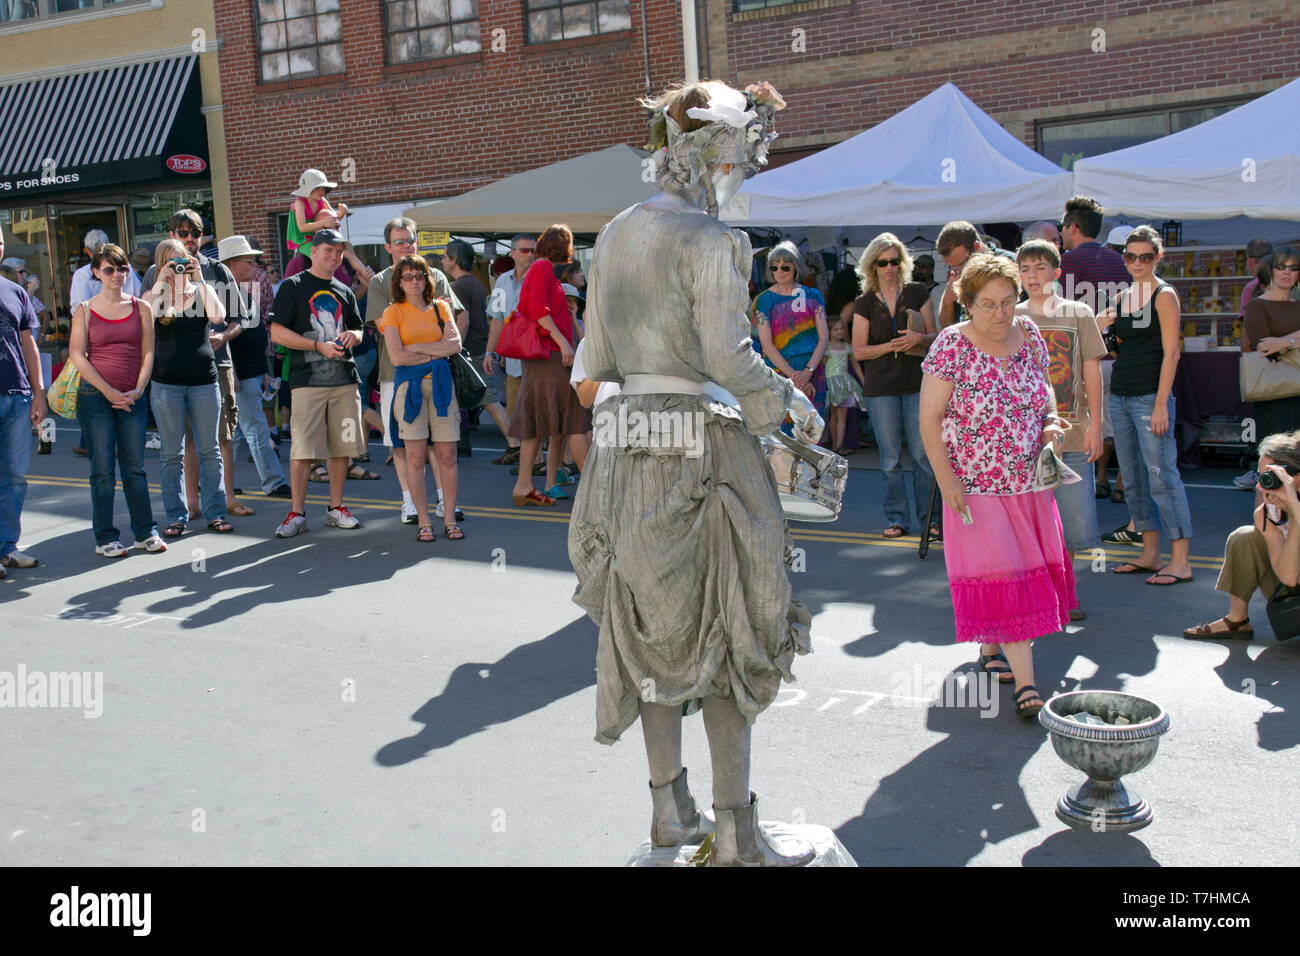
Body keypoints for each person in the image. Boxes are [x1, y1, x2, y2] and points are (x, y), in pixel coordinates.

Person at [570, 79, 824, 865]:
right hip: (703, 454)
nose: (740, 176)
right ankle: (737, 833)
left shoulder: (613, 234)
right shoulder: (713, 241)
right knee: (728, 636)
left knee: (653, 641)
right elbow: (725, 354)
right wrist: (789, 402)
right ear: (708, 154)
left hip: (626, 452)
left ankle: (668, 815)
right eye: (740, 160)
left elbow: (595, 363)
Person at [919, 253, 1074, 719]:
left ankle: (992, 647)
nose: (1000, 314)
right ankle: (1027, 685)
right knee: (1009, 572)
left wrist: (1050, 424)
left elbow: (1044, 393)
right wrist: (946, 482)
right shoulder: (951, 345)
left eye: (1008, 302)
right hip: (975, 487)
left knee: (1006, 570)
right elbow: (928, 417)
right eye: (987, 304)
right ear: (968, 303)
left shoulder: (1028, 336)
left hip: (1027, 483)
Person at [1098, 225, 1194, 586]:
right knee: (1135, 479)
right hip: (1121, 394)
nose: (1137, 263)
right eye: (1130, 256)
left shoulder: (1164, 295)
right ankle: (1151, 554)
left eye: (1145, 257)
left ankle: (1180, 560)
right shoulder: (1123, 297)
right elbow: (1118, 347)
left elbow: (1172, 352)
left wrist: (1159, 405)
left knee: (1162, 477)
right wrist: (1101, 324)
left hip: (1148, 396)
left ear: (1158, 258)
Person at [1015, 239, 1105, 620]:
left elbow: (1091, 370)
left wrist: (1097, 425)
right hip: (1022, 437)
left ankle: (1064, 595)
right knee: (1028, 524)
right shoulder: (1011, 316)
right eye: (1025, 269)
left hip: (1070, 432)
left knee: (1071, 523)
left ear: (1056, 273)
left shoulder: (1078, 313)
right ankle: (1036, 595)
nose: (1032, 276)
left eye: (1039, 268)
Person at [139, 209, 249, 520]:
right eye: (182, 234)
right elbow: (143, 317)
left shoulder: (215, 270)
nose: (190, 240)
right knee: (180, 444)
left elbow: (235, 318)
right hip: (169, 375)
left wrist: (223, 337)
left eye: (195, 234)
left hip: (215, 366)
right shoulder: (154, 273)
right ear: (172, 236)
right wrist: (164, 276)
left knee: (220, 438)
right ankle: (190, 504)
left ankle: (226, 500)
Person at [68, 243, 165, 557]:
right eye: (109, 269)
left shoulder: (142, 308)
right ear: (96, 272)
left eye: (121, 268)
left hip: (132, 396)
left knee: (135, 468)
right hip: (95, 397)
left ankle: (145, 532)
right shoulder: (84, 309)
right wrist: (109, 391)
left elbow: (148, 352)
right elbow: (76, 356)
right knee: (103, 470)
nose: (116, 275)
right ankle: (105, 537)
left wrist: (137, 390)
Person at [269, 229, 368, 536]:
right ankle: (296, 514)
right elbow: (277, 333)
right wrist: (317, 346)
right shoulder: (292, 286)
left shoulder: (344, 289)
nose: (334, 257)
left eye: (339, 252)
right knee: (302, 450)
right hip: (306, 381)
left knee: (341, 448)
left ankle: (336, 508)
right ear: (312, 251)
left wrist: (354, 335)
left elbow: (360, 329)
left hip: (344, 380)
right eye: (328, 250)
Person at [366, 218, 464, 522]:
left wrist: (422, 348)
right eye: (400, 241)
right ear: (388, 247)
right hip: (395, 375)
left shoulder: (435, 275)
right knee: (403, 443)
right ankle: (408, 501)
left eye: (411, 240)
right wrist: (435, 347)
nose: (407, 245)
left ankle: (442, 500)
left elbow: (455, 324)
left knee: (440, 444)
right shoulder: (381, 282)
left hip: (439, 375)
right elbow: (387, 329)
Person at [851, 232, 937, 538]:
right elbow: (858, 351)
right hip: (881, 387)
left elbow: (935, 336)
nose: (889, 267)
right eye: (883, 262)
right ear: (872, 265)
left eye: (895, 261)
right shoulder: (864, 302)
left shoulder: (917, 292)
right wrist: (892, 346)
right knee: (889, 459)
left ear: (902, 262)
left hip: (916, 383)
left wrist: (918, 339)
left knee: (923, 455)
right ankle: (898, 519)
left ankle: (932, 520)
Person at [498, 223, 590, 505]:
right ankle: (595, 490)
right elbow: (539, 312)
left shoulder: (539, 269)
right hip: (550, 357)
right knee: (574, 421)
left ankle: (524, 485)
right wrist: (564, 343)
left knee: (538, 423)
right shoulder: (542, 269)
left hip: (545, 358)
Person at [143, 239, 230, 537]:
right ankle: (176, 516)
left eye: (182, 259)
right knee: (171, 453)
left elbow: (219, 317)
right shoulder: (156, 295)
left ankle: (216, 513)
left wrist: (200, 279)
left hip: (203, 380)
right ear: (161, 263)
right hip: (166, 383)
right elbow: (144, 314)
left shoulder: (200, 289)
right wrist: (162, 279)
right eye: (172, 261)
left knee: (210, 450)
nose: (179, 265)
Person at [1184, 431, 1300, 640]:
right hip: (1295, 588)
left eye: (1270, 477)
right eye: (1261, 476)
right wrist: (1294, 515)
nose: (1260, 486)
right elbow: (1288, 578)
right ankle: (1237, 620)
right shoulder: (1267, 513)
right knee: (1245, 537)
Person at [218, 235, 290, 499]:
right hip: (240, 375)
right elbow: (223, 338)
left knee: (235, 432)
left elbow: (257, 333)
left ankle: (221, 482)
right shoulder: (221, 295)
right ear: (233, 264)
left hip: (252, 371)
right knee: (256, 428)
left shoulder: (240, 293)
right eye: (250, 261)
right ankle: (274, 482)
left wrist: (266, 372)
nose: (256, 266)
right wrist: (233, 373)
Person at [0, 224, 48, 577]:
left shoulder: (15, 291)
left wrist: (39, 392)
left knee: (14, 477)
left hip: (16, 396)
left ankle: (7, 547)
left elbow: (29, 346)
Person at [753, 241, 828, 419]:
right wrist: (795, 378)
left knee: (811, 430)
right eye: (774, 267)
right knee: (782, 437)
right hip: (780, 374)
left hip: (813, 370)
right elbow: (767, 346)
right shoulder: (764, 300)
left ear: (796, 267)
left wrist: (808, 372)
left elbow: (824, 338)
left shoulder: (813, 295)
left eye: (785, 267)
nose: (779, 271)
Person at [484, 235, 535, 467]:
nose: (530, 254)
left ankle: (541, 463)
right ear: (512, 253)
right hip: (514, 362)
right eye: (524, 250)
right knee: (517, 415)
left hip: (538, 360)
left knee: (538, 416)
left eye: (533, 250)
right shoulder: (503, 281)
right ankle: (533, 462)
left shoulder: (540, 278)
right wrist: (490, 352)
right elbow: (497, 319)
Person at [1059, 195, 1130, 316]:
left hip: (1086, 331)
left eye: (1063, 226)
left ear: (1072, 228)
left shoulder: (1070, 260)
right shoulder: (1119, 259)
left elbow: (1066, 310)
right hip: (1120, 331)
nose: (1061, 232)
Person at [935, 221, 1001, 328]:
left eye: (962, 265)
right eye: (952, 267)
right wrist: (947, 299)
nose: (959, 272)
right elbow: (946, 326)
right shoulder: (955, 274)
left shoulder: (1009, 264)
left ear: (977, 248)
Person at [824, 315, 864, 454]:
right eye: (836, 329)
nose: (840, 332)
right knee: (834, 414)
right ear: (828, 331)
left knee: (843, 414)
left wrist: (863, 382)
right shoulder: (826, 348)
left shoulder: (847, 347)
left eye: (841, 328)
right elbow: (822, 367)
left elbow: (856, 366)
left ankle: (839, 445)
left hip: (845, 383)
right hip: (833, 383)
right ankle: (835, 444)